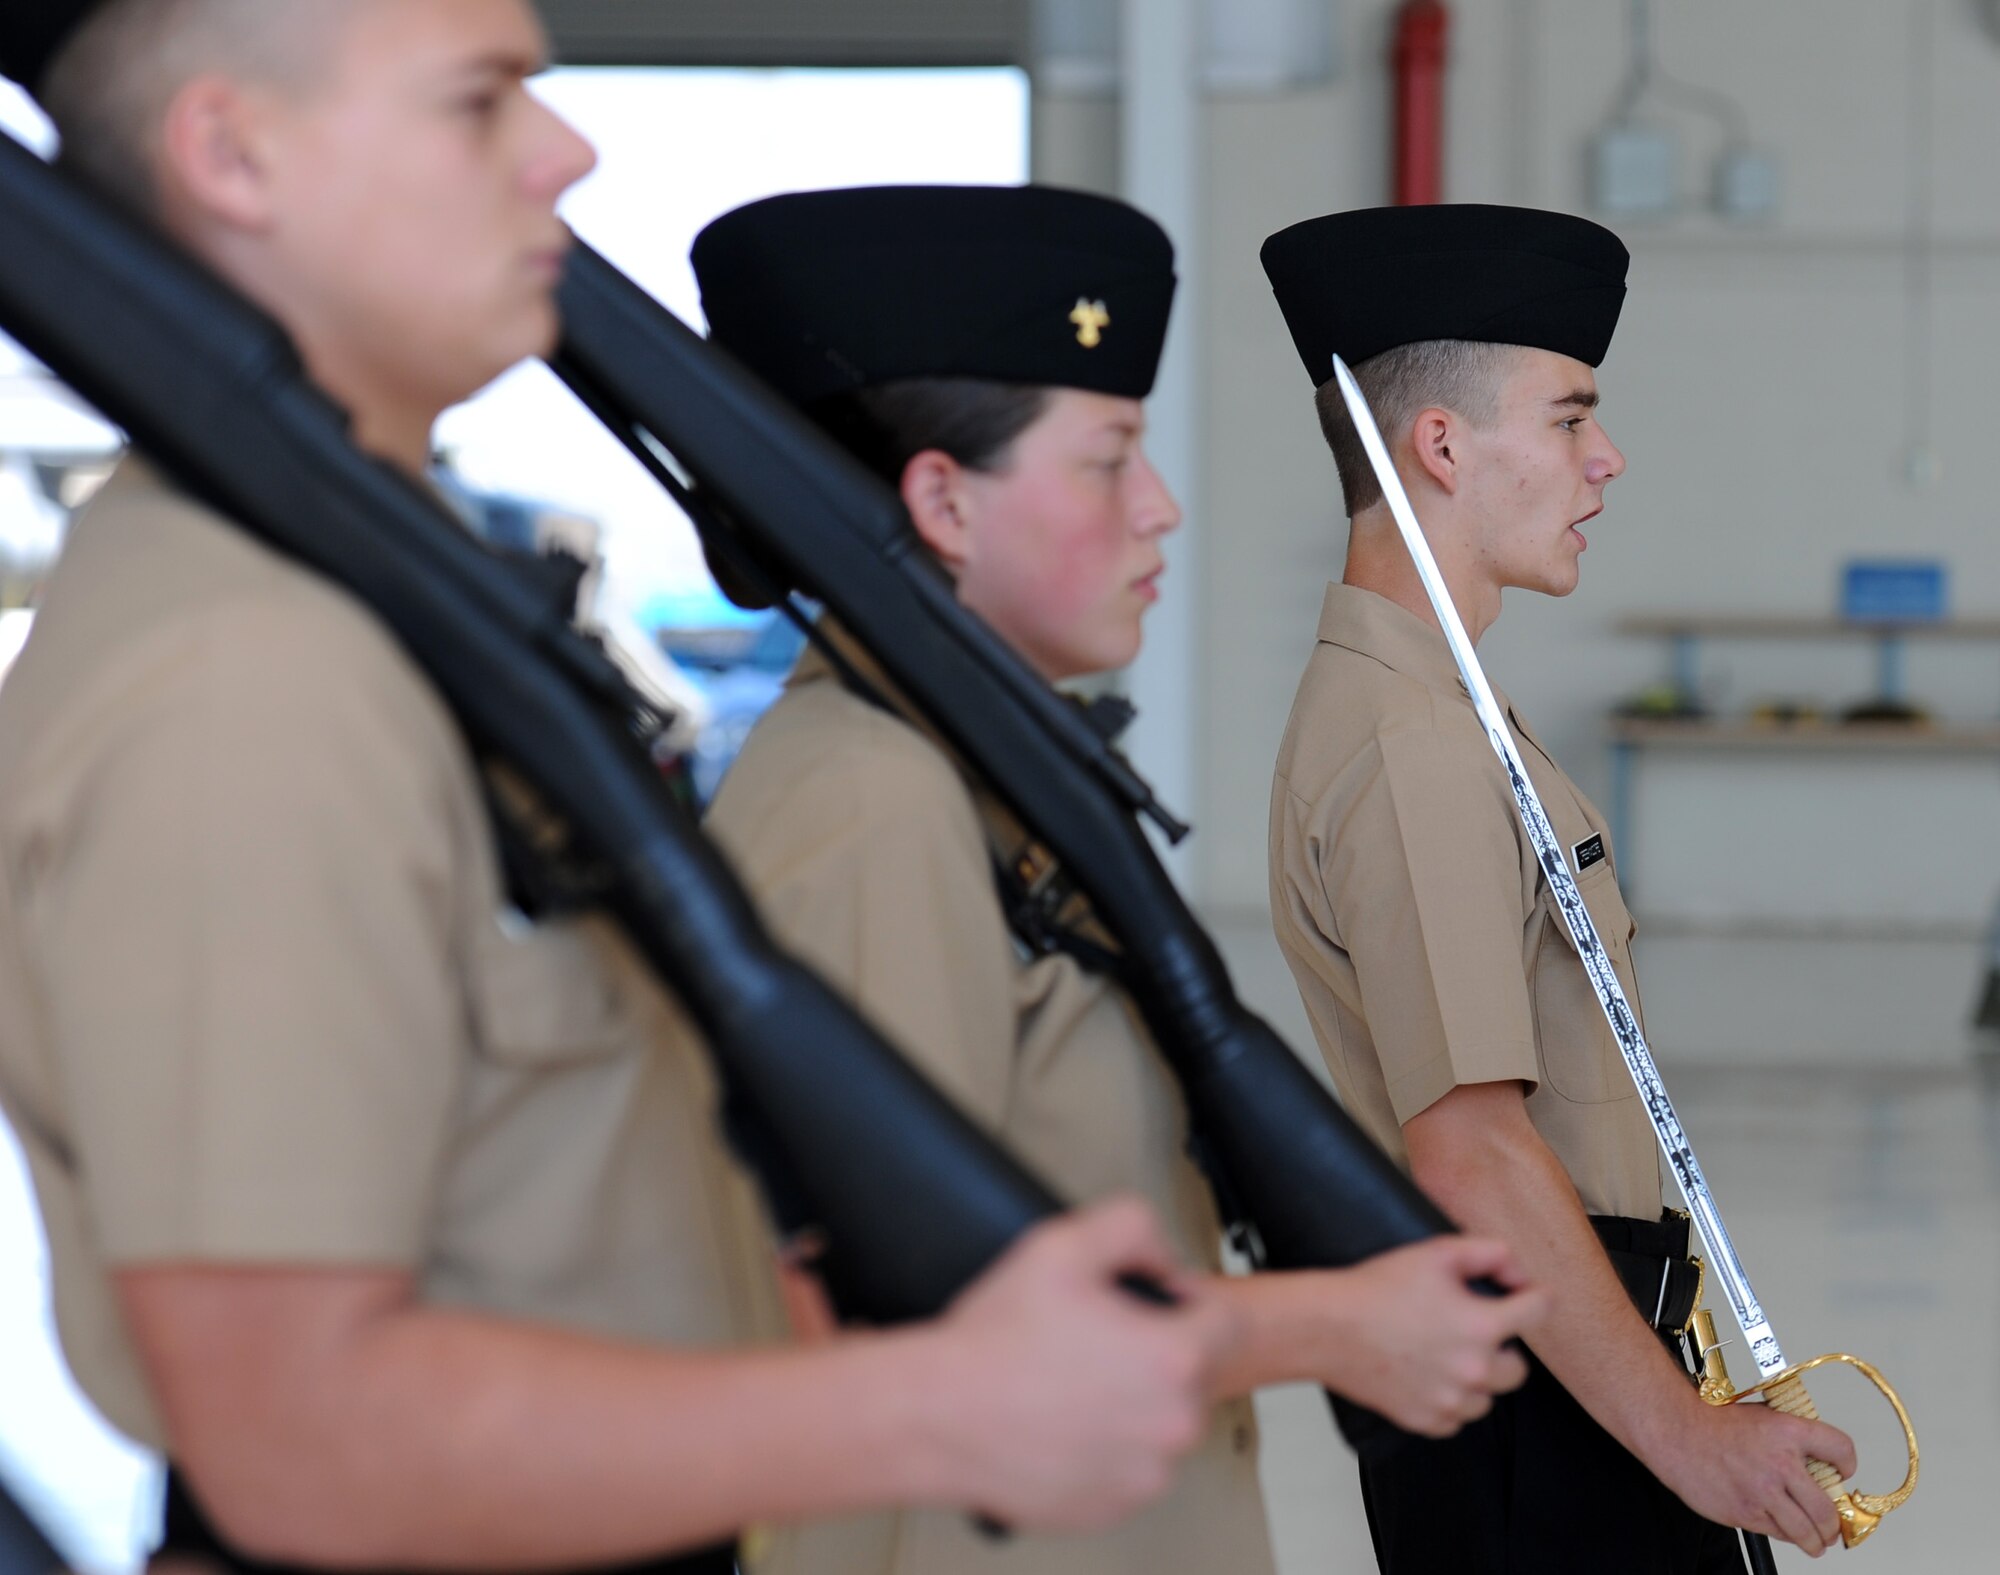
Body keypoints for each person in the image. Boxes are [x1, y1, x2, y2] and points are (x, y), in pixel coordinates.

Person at [0, 4, 1245, 1571]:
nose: (569, 151)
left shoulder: (390, 616)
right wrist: (933, 1407)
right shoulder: (250, 668)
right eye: (479, 102)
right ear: (233, 154)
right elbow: (299, 1435)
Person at [694, 184, 1547, 1575]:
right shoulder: (878, 804)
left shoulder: (979, 780)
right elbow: (888, 1332)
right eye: (1107, 461)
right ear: (944, 501)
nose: (1162, 510)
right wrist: (1327, 1329)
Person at [1260, 202, 1858, 1572]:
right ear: (1445, 445)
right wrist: (1684, 1437)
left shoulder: (1439, 707)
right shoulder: (1410, 741)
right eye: (1571, 418)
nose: (1606, 459)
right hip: (1539, 1399)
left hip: (1565, 1349)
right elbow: (1469, 1148)